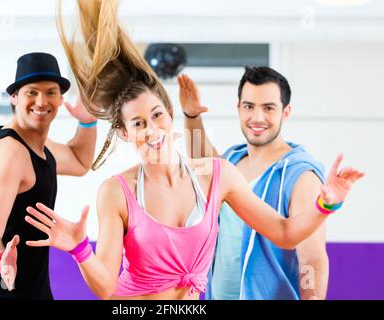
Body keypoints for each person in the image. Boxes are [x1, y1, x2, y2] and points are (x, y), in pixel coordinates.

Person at [24, 0, 364, 300]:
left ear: (169, 116)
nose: (152, 129)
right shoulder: (115, 191)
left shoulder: (219, 176)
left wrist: (327, 203)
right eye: (139, 124)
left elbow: (286, 233)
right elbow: (104, 286)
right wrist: (80, 249)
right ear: (125, 133)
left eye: (157, 115)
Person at [178, 67, 342, 299]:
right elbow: (202, 164)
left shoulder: (300, 175)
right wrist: (192, 117)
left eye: (268, 108)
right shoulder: (231, 161)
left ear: (286, 112)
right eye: (249, 106)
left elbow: (312, 256)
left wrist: (312, 296)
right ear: (238, 108)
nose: (257, 118)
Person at [0, 52, 98, 299]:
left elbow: (80, 161)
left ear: (61, 99)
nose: (41, 101)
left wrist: (87, 122)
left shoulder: (38, 146)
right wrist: (0, 259)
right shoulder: (11, 152)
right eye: (31, 92)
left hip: (35, 291)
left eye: (50, 92)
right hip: (3, 293)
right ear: (14, 97)